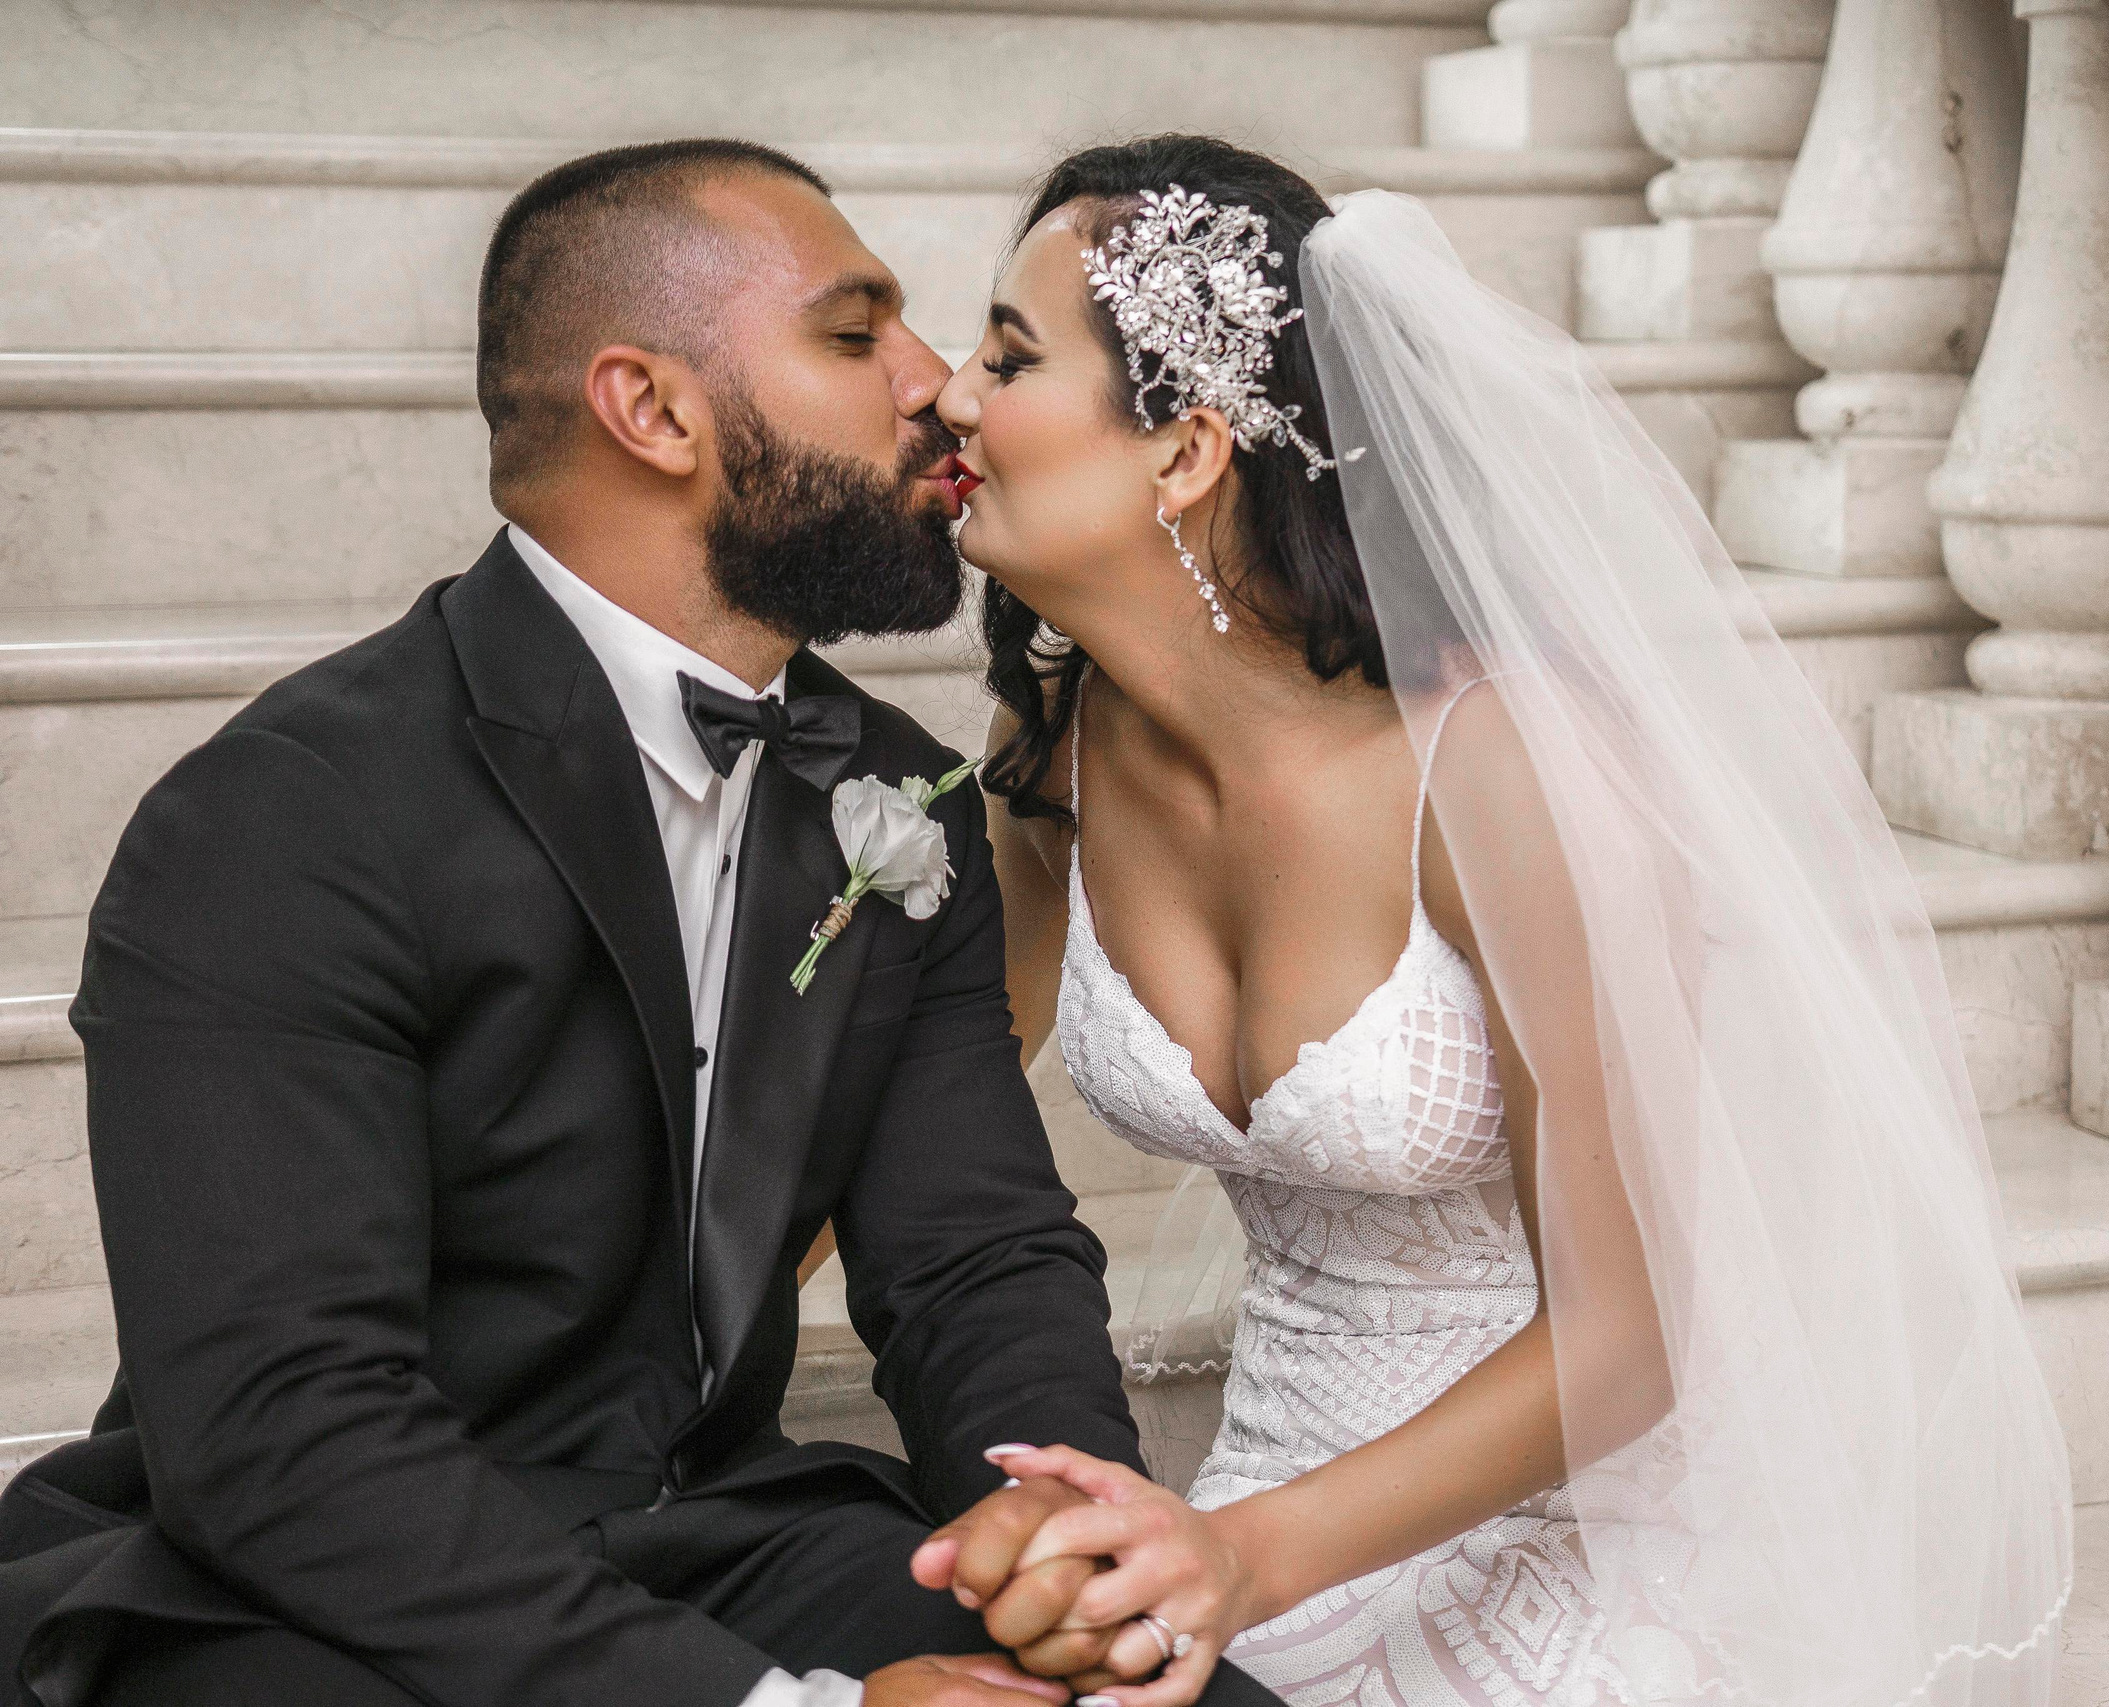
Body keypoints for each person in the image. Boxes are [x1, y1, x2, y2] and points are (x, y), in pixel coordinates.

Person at [0, 139, 1281, 1707]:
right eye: (853, 330)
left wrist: (1059, 1513)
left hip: (714, 1531)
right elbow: (283, 1427)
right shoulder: (283, 815)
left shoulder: (902, 800)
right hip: (307, 1586)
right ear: (653, 409)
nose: (937, 384)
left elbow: (974, 1259)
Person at [915, 136, 2076, 1707]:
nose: (947, 398)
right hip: (1263, 1508)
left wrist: (1245, 1553)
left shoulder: (1501, 768)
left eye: (1005, 353)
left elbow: (1634, 1335)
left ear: (1185, 453)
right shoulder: (1058, 751)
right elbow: (935, 1098)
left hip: (1583, 1515)